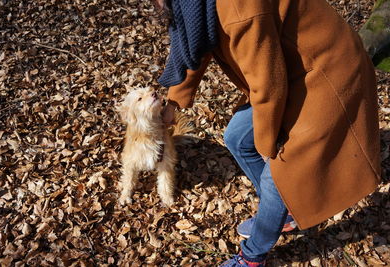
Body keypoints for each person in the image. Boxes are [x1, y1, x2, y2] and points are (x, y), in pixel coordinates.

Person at [153, 0, 381, 266]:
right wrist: (173, 102)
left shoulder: (240, 8)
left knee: (280, 171)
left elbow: (268, 86)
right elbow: (196, 45)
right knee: (237, 138)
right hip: (290, 72)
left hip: (328, 72)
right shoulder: (195, 5)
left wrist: (269, 145)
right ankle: (283, 211)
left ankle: (252, 256)